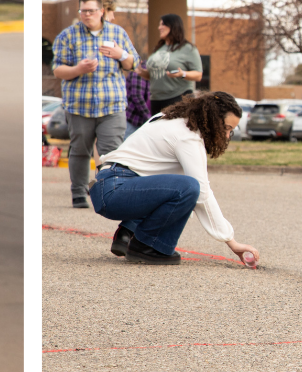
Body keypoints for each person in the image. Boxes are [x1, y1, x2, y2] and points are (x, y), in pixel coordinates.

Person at [89, 91, 260, 267]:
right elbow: (202, 193)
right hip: (115, 189)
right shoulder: (188, 137)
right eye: (226, 128)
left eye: (231, 131)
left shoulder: (169, 118)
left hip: (110, 183)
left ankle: (127, 231)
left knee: (179, 185)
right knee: (189, 187)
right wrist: (231, 241)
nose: (226, 136)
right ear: (213, 120)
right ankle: (149, 246)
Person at [51, 0, 139, 207]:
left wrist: (120, 54)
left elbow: (133, 63)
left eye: (91, 11)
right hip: (80, 106)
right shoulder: (68, 36)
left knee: (112, 152)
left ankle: (110, 192)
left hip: (112, 105)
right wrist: (78, 69)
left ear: (101, 11)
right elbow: (58, 70)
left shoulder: (117, 33)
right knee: (80, 150)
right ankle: (79, 193)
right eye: (83, 11)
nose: (86, 14)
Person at [145, 14, 202, 111]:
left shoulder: (188, 48)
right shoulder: (158, 48)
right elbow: (153, 75)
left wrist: (182, 74)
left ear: (173, 26)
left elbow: (198, 75)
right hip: (156, 100)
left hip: (178, 98)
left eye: (163, 24)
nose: (159, 28)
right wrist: (139, 71)